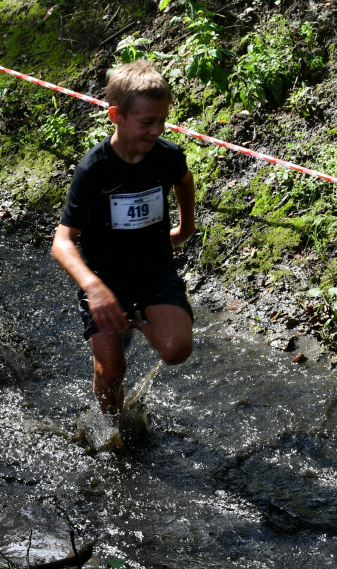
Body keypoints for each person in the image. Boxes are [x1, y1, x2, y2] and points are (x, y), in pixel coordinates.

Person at [51, 60, 195, 416]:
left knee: (177, 349)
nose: (156, 130)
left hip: (154, 270)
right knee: (112, 371)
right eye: (147, 122)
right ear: (116, 115)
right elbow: (62, 241)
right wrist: (94, 288)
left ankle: (138, 319)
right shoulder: (94, 169)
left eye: (162, 121)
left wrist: (186, 227)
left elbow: (184, 180)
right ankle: (110, 428)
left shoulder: (167, 156)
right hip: (105, 280)